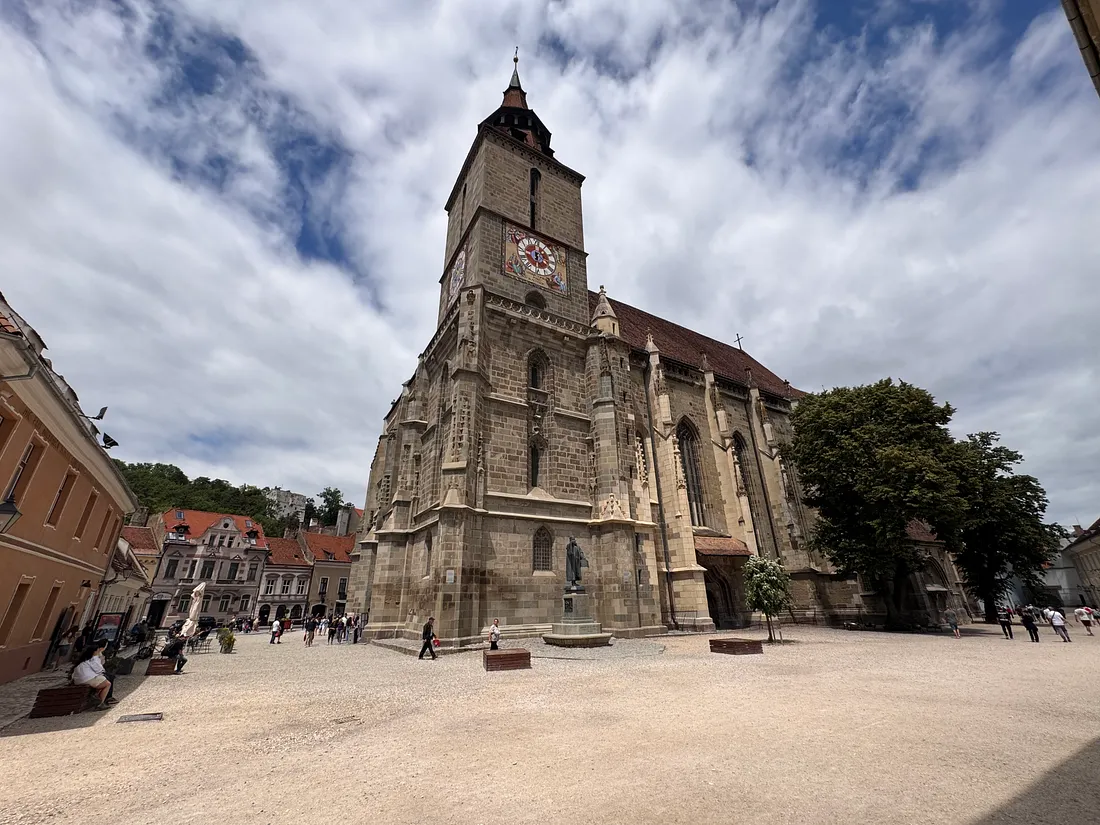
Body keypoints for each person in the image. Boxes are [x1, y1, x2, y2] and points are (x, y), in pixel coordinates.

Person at [72, 642, 116, 710]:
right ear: (94, 651)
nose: (99, 651)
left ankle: (97, 698)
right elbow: (99, 670)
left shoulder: (85, 659)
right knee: (107, 683)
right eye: (97, 650)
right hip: (87, 679)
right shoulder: (93, 659)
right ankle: (100, 703)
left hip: (78, 680)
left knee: (104, 679)